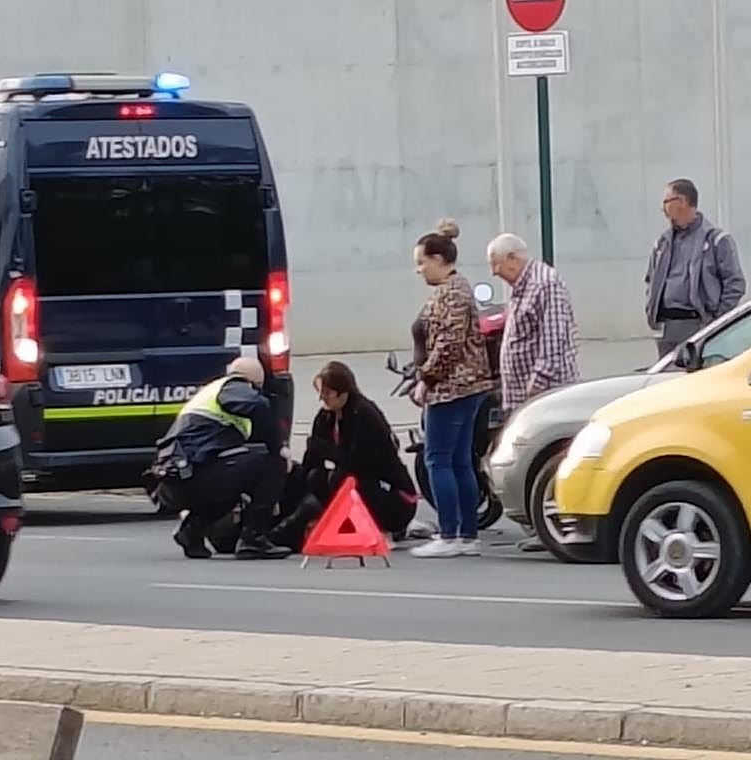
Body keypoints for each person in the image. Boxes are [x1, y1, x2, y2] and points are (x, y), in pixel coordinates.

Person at [486, 232, 580, 552]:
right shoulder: (522, 287)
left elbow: (553, 342)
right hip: (524, 396)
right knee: (527, 461)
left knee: (544, 462)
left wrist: (535, 386)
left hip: (544, 396)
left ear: (514, 258)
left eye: (496, 264)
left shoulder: (545, 284)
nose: (494, 272)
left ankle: (551, 525)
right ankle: (539, 524)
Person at [408, 219, 494, 559]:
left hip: (452, 388)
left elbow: (449, 343)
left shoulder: (452, 293)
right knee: (459, 461)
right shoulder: (455, 290)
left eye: (422, 262)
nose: (419, 270)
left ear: (439, 260)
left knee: (438, 459)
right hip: (465, 385)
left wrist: (426, 379)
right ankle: (466, 532)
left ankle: (450, 532)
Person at [151, 357, 292, 560]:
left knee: (236, 478)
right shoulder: (235, 387)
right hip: (193, 475)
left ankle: (191, 532)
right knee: (273, 466)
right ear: (253, 383)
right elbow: (258, 406)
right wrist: (279, 448)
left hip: (176, 481)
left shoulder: (209, 393)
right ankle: (253, 539)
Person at [267, 362, 418, 550]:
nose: (322, 398)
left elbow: (364, 464)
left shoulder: (364, 414)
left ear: (343, 392)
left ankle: (379, 527)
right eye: (320, 392)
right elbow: (313, 459)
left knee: (342, 478)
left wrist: (325, 449)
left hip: (393, 493)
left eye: (327, 393)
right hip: (359, 477)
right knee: (315, 476)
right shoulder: (325, 417)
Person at [645, 178, 746, 358]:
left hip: (698, 324)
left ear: (682, 201)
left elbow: (735, 284)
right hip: (667, 327)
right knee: (667, 381)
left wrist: (716, 321)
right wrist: (651, 310)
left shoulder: (716, 240)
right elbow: (650, 280)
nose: (663, 209)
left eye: (666, 202)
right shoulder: (662, 243)